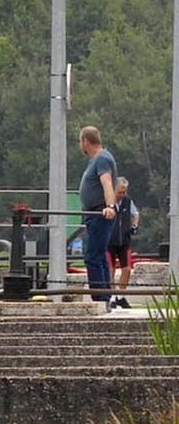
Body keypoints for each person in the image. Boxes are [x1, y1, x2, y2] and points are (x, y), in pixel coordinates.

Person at [77, 125, 119, 307]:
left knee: (93, 256)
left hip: (100, 213)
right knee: (99, 256)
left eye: (80, 141)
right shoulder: (96, 159)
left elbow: (107, 182)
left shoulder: (102, 158)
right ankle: (104, 297)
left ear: (86, 141)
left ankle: (100, 299)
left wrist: (110, 206)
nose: (80, 145)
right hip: (93, 213)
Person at [109, 176, 139, 306]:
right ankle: (111, 297)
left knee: (126, 269)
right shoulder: (108, 201)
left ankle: (120, 295)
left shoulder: (128, 201)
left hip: (124, 241)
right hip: (109, 242)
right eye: (120, 192)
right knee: (110, 270)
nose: (122, 195)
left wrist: (134, 226)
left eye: (124, 192)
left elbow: (136, 214)